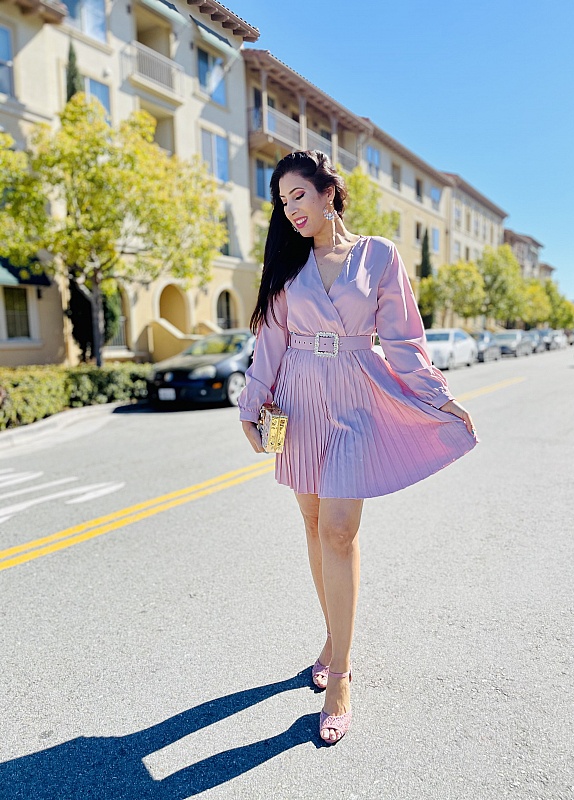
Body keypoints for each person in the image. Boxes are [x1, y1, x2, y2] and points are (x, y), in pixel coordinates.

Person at [238, 150, 477, 745]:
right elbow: (270, 341)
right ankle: (331, 637)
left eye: (299, 195)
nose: (291, 210)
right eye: (282, 202)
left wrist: (440, 397)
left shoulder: (379, 256)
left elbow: (403, 341)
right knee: (313, 523)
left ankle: (341, 675)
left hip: (355, 398)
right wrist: (252, 403)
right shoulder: (287, 264)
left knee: (339, 531)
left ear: (328, 193)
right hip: (296, 401)